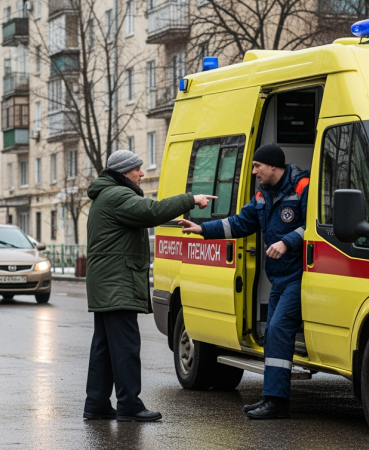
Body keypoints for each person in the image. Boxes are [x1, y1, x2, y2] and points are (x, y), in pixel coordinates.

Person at [83, 150, 216, 422]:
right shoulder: (118, 195)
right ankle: (129, 405)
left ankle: (96, 404)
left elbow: (140, 218)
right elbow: (150, 212)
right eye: (137, 169)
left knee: (105, 348)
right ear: (124, 172)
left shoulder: (107, 195)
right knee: (125, 348)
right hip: (117, 284)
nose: (142, 174)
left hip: (108, 284)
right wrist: (190, 199)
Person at [179, 143, 309, 420]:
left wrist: (287, 242)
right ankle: (272, 400)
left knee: (276, 331)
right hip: (279, 278)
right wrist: (202, 229)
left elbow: (317, 224)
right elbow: (238, 224)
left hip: (300, 277)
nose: (253, 172)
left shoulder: (302, 187)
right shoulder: (264, 195)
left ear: (273, 166)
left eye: (257, 166)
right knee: (273, 336)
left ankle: (275, 401)